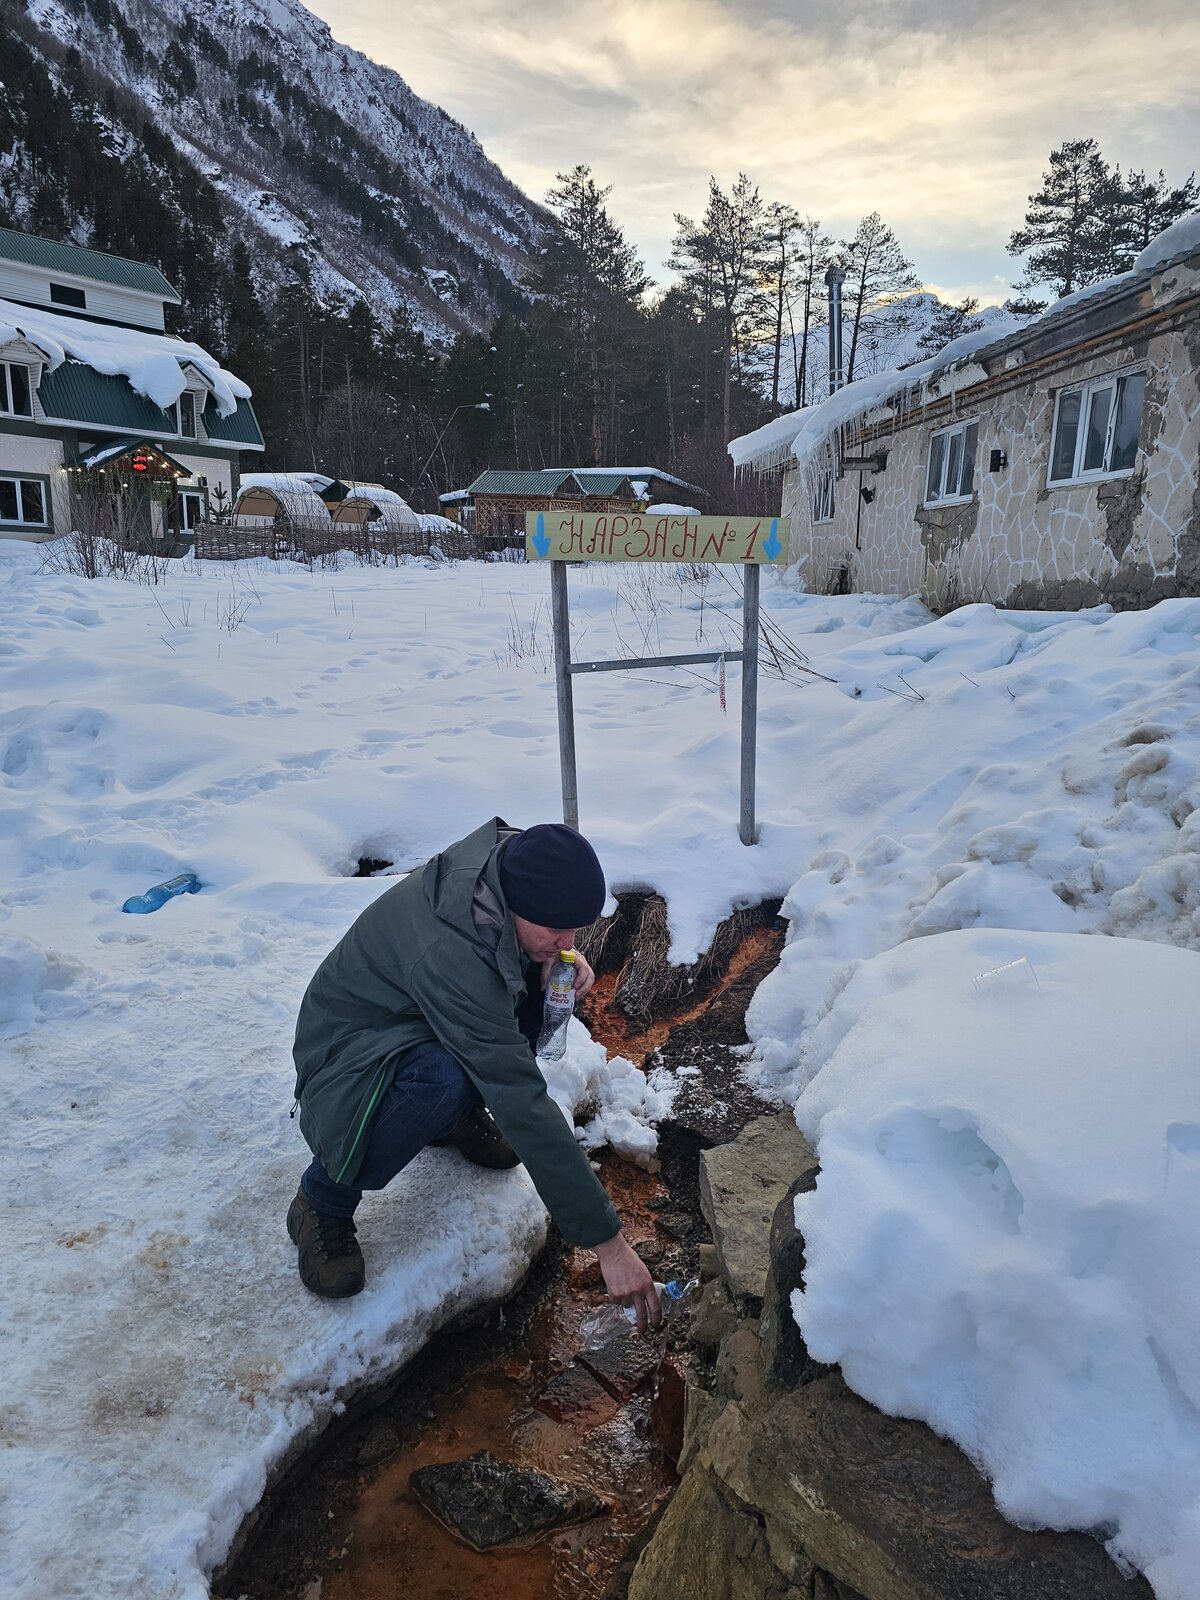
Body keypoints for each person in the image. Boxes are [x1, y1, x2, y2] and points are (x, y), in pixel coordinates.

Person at [288, 816, 660, 1332]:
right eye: (556, 930)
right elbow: (518, 1094)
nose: (568, 941)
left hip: (415, 1017)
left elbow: (509, 982)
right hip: (348, 1054)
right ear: (516, 903)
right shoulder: (450, 949)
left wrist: (552, 963)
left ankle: (447, 1120)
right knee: (441, 1077)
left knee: (475, 1052)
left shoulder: (509, 872)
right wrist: (608, 1243)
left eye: (575, 930)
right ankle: (320, 1200)